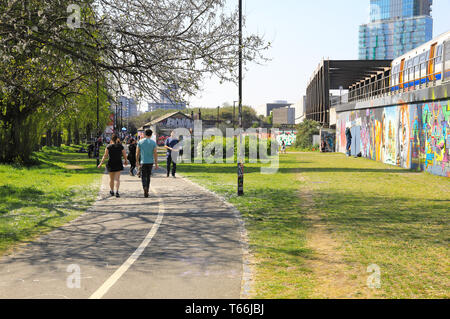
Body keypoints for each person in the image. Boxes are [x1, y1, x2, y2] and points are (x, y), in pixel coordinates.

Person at [136, 129, 159, 198]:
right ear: (151, 135)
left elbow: (137, 153)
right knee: (148, 176)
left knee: (143, 176)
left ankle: (144, 187)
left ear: (145, 134)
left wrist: (137, 161)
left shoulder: (140, 142)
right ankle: (147, 189)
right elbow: (155, 153)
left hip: (143, 162)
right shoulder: (153, 143)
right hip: (150, 162)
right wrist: (156, 163)